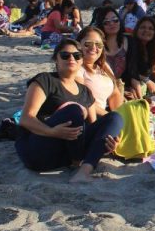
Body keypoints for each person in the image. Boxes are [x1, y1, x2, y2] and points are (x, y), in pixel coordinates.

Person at [15, 39, 123, 183]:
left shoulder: (85, 92)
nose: (72, 58)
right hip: (40, 148)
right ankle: (77, 160)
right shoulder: (45, 80)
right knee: (73, 110)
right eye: (65, 55)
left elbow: (93, 125)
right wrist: (52, 131)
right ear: (56, 59)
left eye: (77, 55)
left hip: (66, 154)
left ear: (81, 60)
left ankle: (83, 171)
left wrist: (106, 143)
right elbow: (26, 119)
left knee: (115, 118)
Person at [76, 27, 123, 114]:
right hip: (89, 118)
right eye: (88, 44)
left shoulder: (103, 66)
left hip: (105, 116)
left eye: (99, 45)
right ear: (79, 45)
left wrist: (120, 116)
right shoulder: (77, 68)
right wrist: (109, 116)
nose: (93, 48)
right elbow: (82, 100)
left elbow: (114, 94)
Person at [122, 16, 155, 100]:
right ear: (137, 29)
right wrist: (147, 81)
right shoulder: (131, 44)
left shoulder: (151, 48)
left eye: (150, 28)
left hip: (143, 88)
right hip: (128, 87)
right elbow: (130, 71)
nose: (146, 30)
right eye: (143, 27)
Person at [96, 6, 128, 78]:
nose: (112, 24)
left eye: (115, 20)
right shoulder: (96, 45)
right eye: (106, 22)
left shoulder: (128, 41)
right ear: (101, 25)